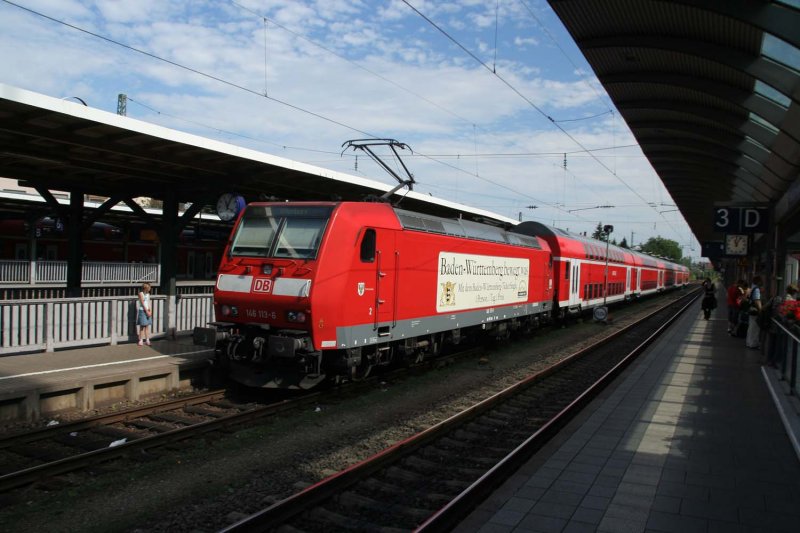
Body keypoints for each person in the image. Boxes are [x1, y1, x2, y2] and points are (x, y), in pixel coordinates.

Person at [765, 284, 797, 367]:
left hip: (773, 324)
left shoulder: (778, 297)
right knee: (780, 346)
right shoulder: (791, 301)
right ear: (794, 292)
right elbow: (788, 314)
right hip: (781, 326)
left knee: (772, 344)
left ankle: (769, 360)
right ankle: (776, 363)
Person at [745, 276, 763, 349]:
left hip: (751, 309)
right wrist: (760, 309)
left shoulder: (752, 288)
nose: (762, 282)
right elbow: (757, 300)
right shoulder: (756, 289)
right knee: (755, 328)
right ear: (758, 281)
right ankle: (753, 343)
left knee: (751, 327)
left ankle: (749, 342)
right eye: (761, 281)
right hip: (755, 310)